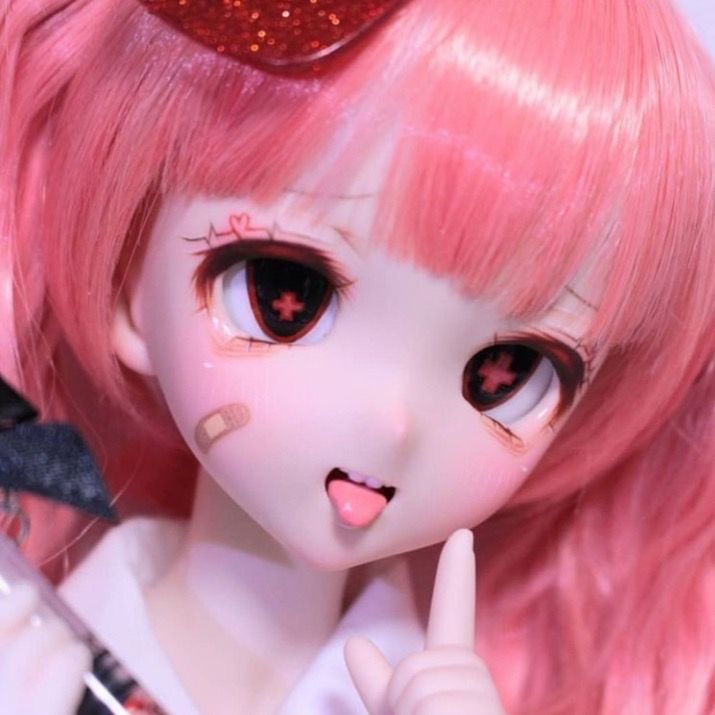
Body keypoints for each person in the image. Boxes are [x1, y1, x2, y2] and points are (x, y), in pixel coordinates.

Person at [0, 0, 713, 712]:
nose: (392, 423)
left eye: (506, 375)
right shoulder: (34, 654)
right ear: (131, 288)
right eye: (288, 296)